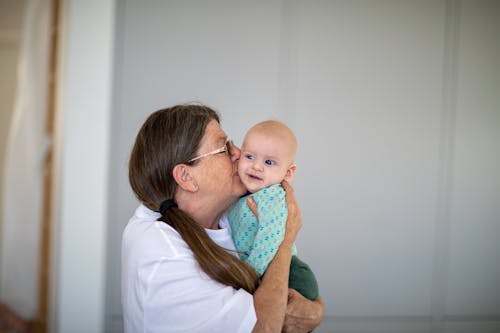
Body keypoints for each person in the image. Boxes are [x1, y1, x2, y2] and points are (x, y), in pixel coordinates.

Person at [122, 104, 323, 333]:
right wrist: (286, 240)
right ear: (186, 176)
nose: (238, 152)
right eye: (223, 147)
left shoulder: (226, 213)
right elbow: (264, 326)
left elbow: (293, 289)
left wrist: (316, 311)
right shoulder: (162, 251)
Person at [228, 120, 319, 301]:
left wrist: (249, 275)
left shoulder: (273, 196)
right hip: (261, 270)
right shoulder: (243, 193)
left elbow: (270, 238)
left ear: (288, 173)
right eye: (249, 157)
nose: (256, 166)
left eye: (269, 162)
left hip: (289, 274)